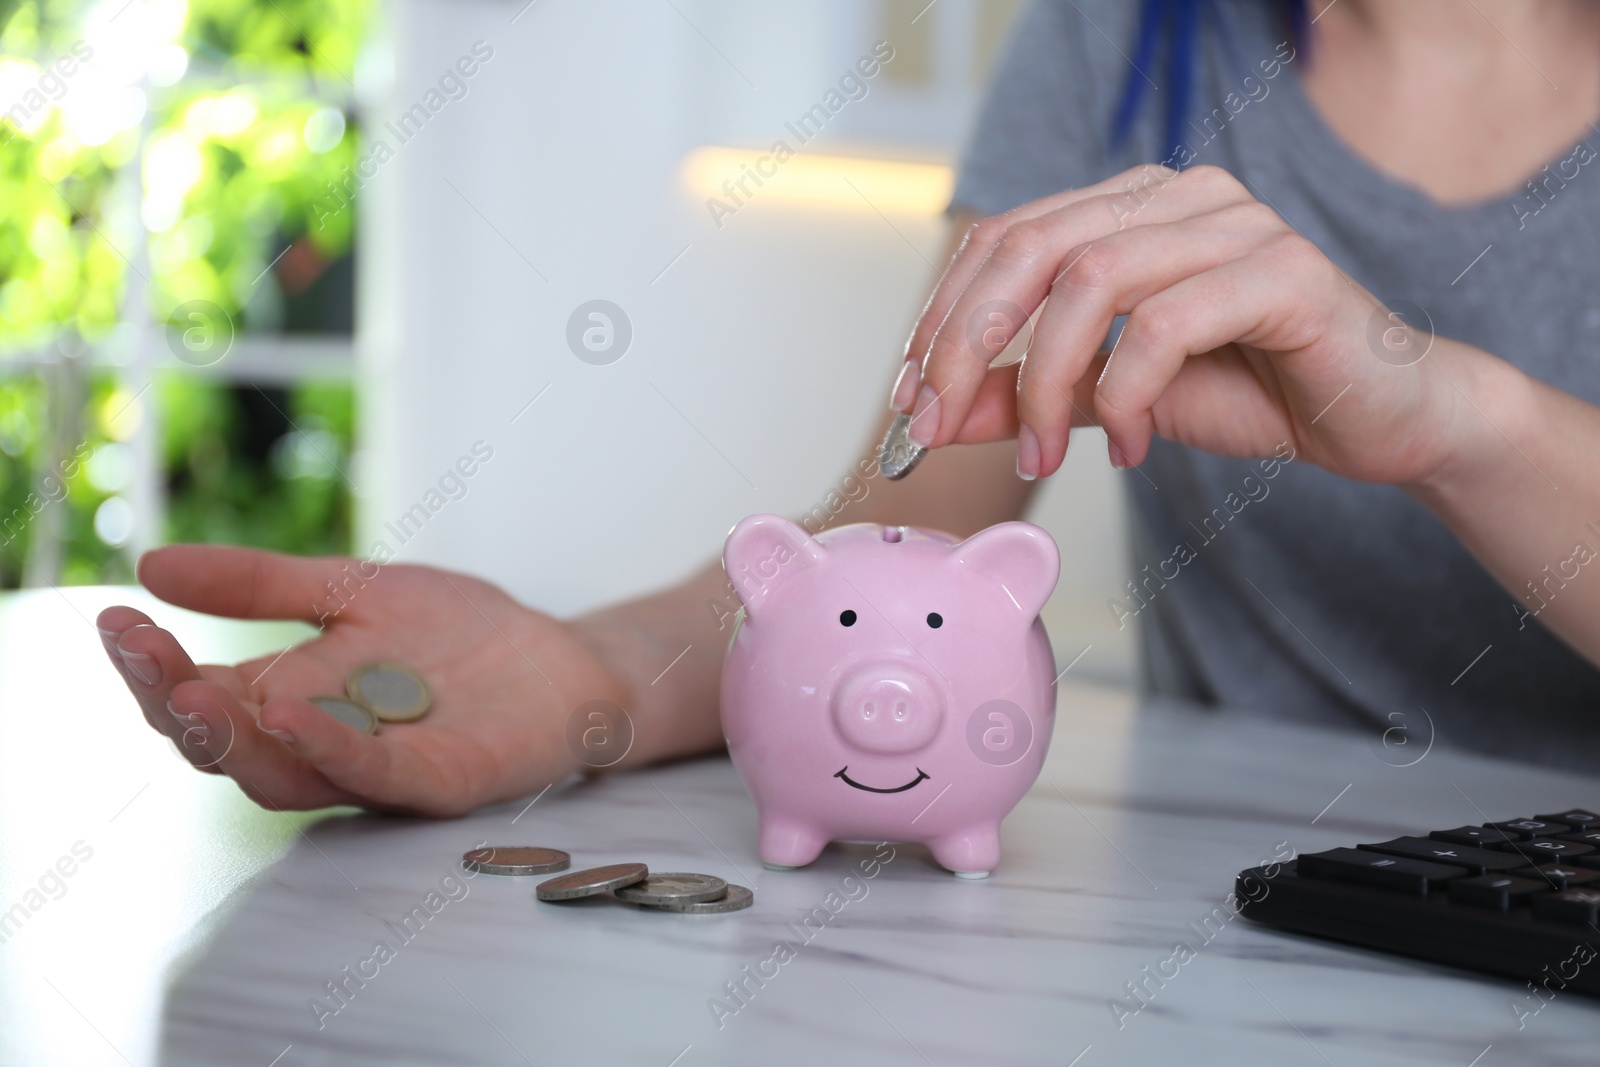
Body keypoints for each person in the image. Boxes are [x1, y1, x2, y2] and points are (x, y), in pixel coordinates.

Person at [96, 0, 1600, 813]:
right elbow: (902, 535)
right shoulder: (1124, 43)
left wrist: (1449, 418)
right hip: (1263, 905)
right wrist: (586, 675)